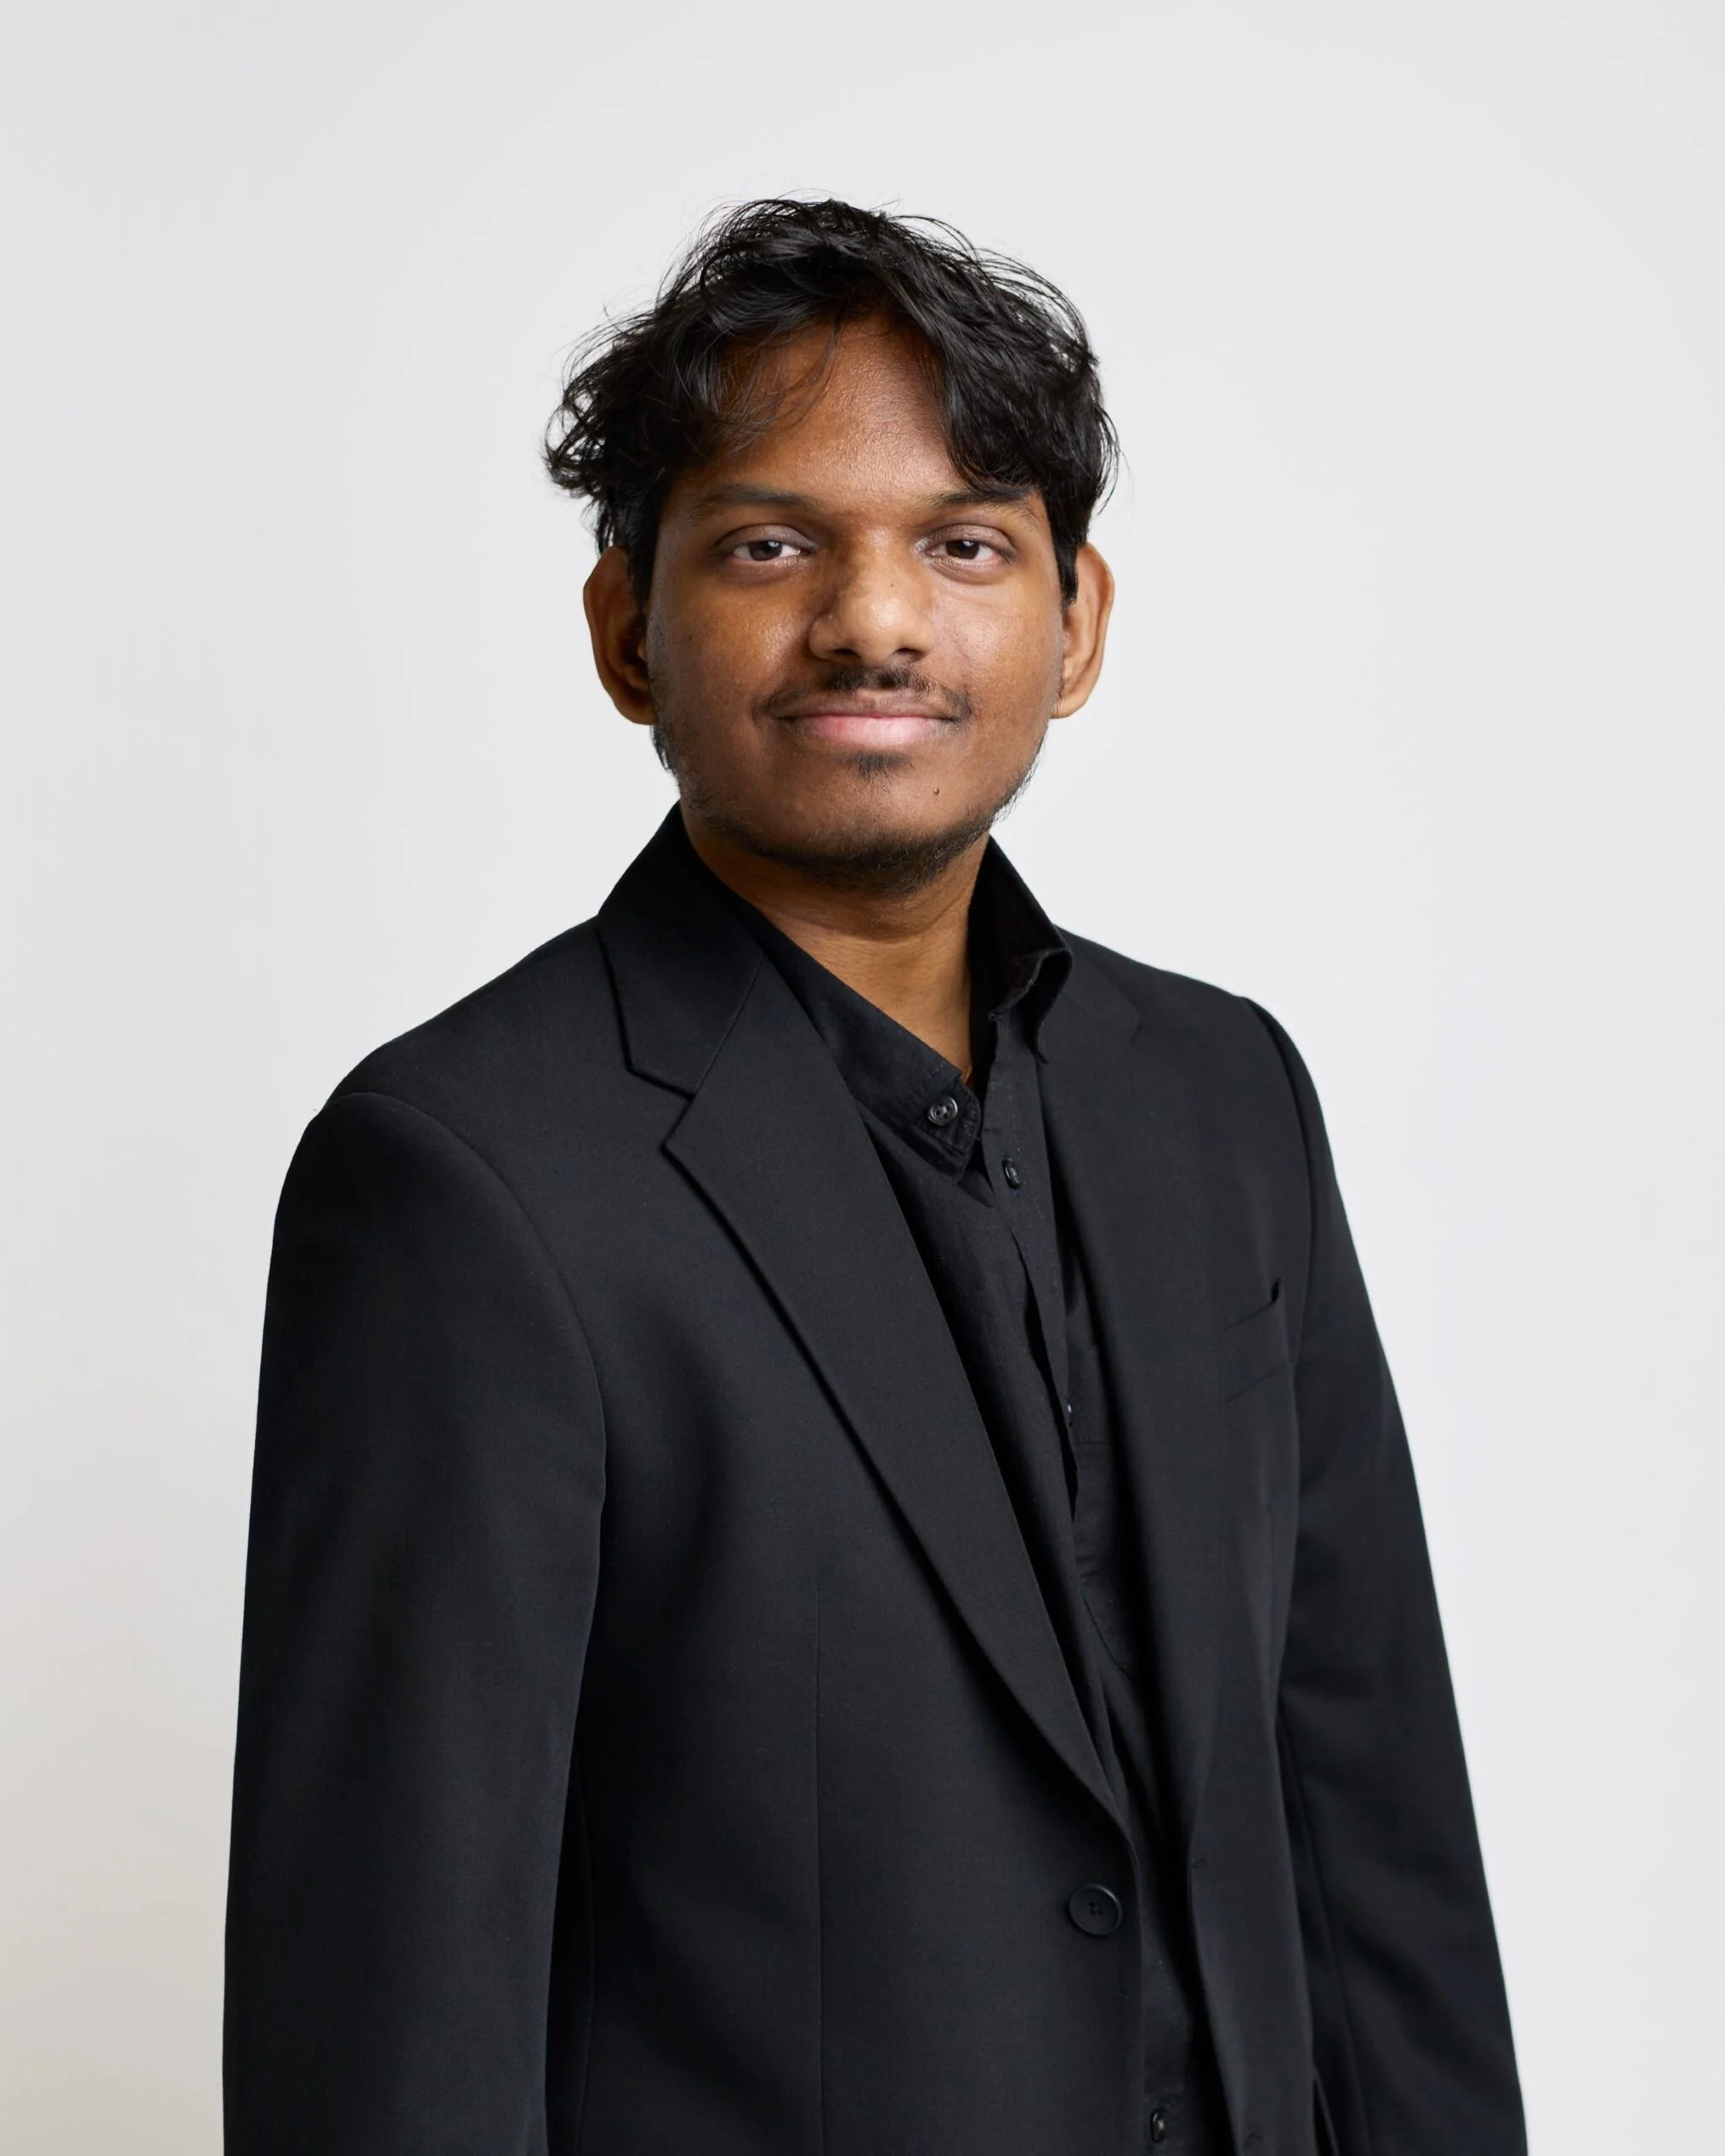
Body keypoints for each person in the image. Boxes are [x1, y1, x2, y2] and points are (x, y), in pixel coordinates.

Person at [223, 199, 1525, 2156]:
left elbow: (1369, 1808)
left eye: (963, 541)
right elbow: (394, 2003)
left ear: (1073, 622)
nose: (878, 618)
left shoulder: (1223, 1094)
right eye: (768, 543)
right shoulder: (460, 1176)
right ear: (625, 629)